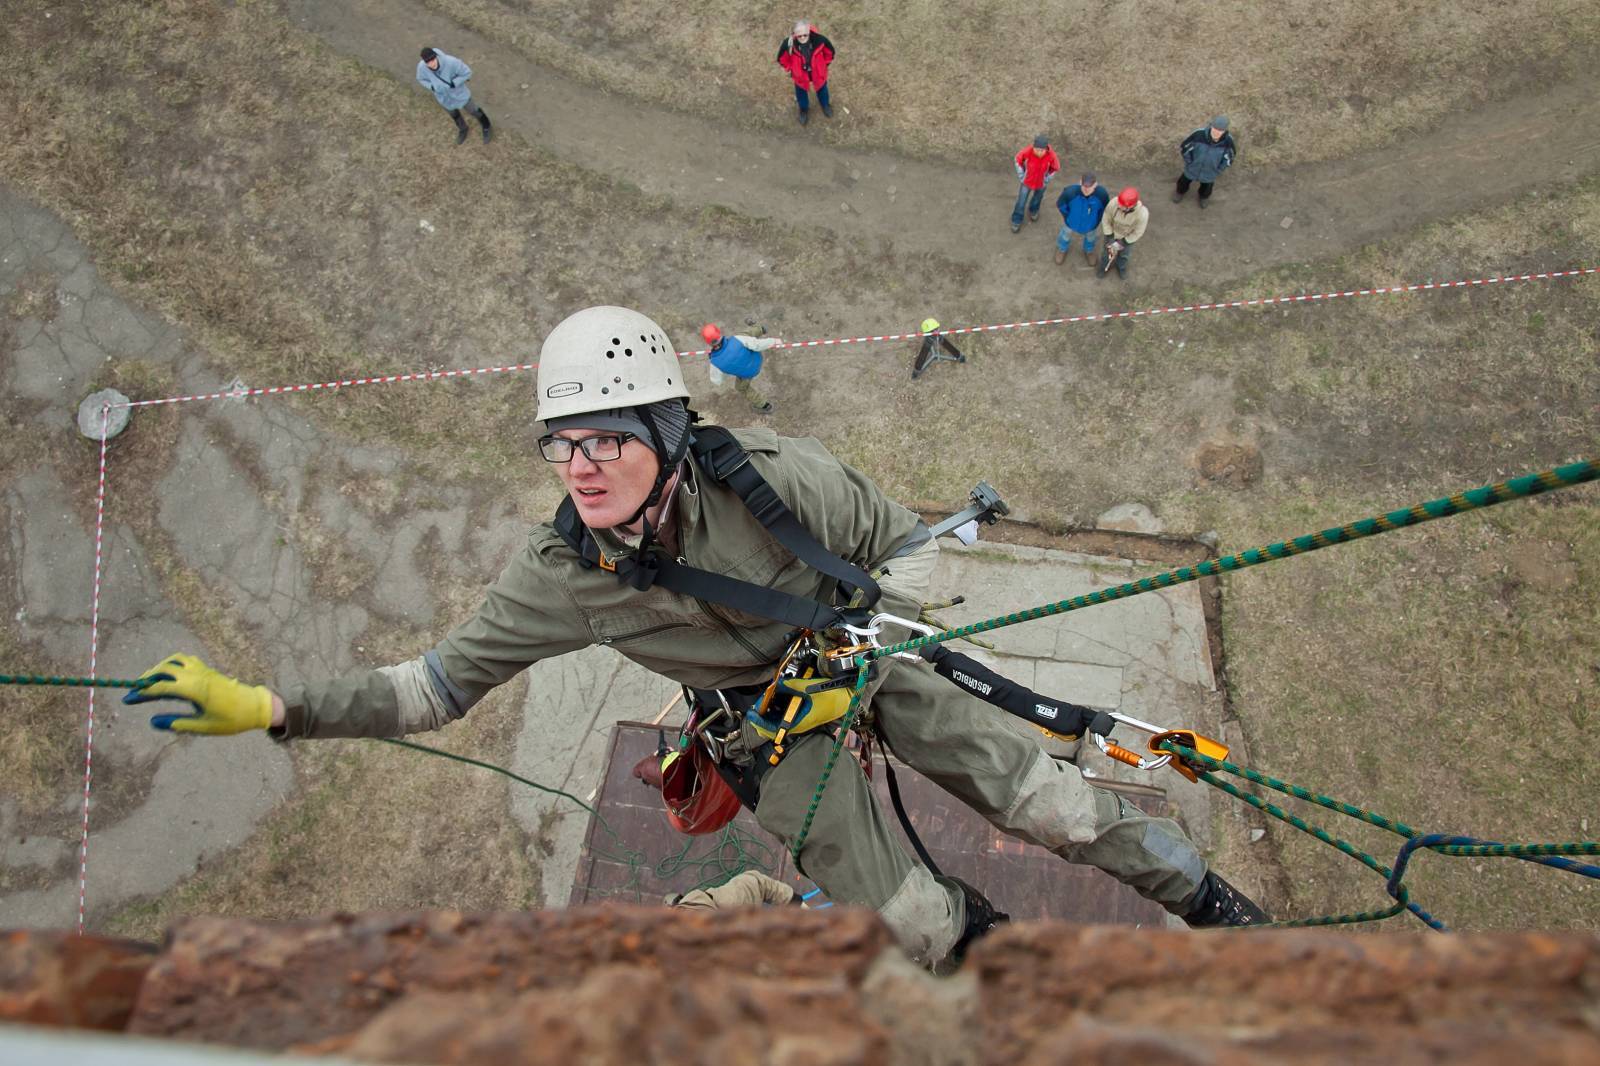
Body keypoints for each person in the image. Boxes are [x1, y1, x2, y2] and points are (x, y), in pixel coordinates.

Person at [125, 305, 1268, 972]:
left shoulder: (770, 478)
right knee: (914, 920)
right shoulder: (559, 575)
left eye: (606, 438)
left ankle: (1211, 906)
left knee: (1057, 806)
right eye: (559, 444)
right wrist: (275, 707)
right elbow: (434, 688)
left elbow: (908, 545)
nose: (579, 463)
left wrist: (875, 635)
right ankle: (1007, 968)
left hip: (867, 658)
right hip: (771, 737)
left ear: (665, 432)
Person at [416, 46, 492, 146]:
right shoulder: (422, 67)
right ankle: (463, 129)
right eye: (428, 62)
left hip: (459, 94)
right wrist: (432, 87)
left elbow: (467, 73)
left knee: (473, 110)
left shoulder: (451, 62)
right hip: (443, 98)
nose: (431, 64)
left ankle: (486, 126)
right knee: (454, 115)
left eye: (433, 59)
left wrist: (454, 83)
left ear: (436, 56)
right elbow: (421, 79)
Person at [703, 323, 780, 415]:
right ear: (720, 333)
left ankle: (764, 406)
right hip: (757, 360)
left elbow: (717, 381)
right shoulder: (737, 339)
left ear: (708, 342)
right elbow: (757, 345)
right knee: (745, 335)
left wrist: (714, 359)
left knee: (741, 388)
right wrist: (773, 341)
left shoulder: (715, 363)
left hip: (748, 374)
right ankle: (760, 329)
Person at [776, 20, 835, 126]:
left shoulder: (820, 40)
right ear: (795, 34)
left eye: (805, 35)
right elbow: (781, 59)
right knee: (801, 93)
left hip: (818, 74)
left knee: (822, 90)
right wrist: (791, 68)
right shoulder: (788, 44)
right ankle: (803, 110)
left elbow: (830, 53)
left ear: (809, 31)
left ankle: (825, 105)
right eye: (799, 36)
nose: (802, 38)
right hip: (800, 76)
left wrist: (823, 65)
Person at [1173, 115, 1237, 209]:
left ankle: (1203, 197)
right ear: (1211, 126)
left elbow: (1229, 158)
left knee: (1207, 188)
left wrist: (1218, 170)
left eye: (1220, 130)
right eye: (1215, 128)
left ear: (1224, 131)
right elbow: (1185, 147)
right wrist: (1189, 162)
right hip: (1192, 168)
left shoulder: (1228, 142)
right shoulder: (1198, 134)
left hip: (1210, 172)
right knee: (1183, 182)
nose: (1216, 132)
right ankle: (1180, 192)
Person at [1054, 172, 1110, 267]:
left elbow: (1105, 209)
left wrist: (1097, 220)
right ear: (1080, 182)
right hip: (1071, 223)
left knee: (1091, 237)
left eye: (1090, 186)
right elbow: (1061, 204)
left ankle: (1089, 251)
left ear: (1095, 184)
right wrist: (1068, 217)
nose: (1086, 189)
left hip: (1091, 225)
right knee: (1065, 234)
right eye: (1084, 186)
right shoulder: (1070, 192)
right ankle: (1062, 249)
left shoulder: (1102, 195)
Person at [1010, 134, 1061, 233]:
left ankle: (1033, 210)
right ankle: (1016, 219)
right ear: (1033, 147)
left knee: (1037, 198)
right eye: (1036, 149)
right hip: (1027, 182)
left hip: (1041, 183)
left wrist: (1046, 179)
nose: (1039, 152)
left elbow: (1055, 168)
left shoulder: (1052, 156)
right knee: (1021, 201)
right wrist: (1022, 176)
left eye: (1041, 150)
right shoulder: (1027, 152)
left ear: (1046, 149)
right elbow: (1017, 159)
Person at [1098, 186, 1148, 280]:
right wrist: (1110, 236)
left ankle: (1121, 267)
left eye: (1122, 206)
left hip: (1127, 238)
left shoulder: (1142, 214)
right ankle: (1103, 267)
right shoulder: (1114, 203)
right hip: (1112, 233)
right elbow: (1106, 218)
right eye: (1119, 204)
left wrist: (1124, 241)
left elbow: (1138, 231)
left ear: (1131, 206)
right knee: (1107, 253)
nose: (1119, 206)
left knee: (1124, 255)